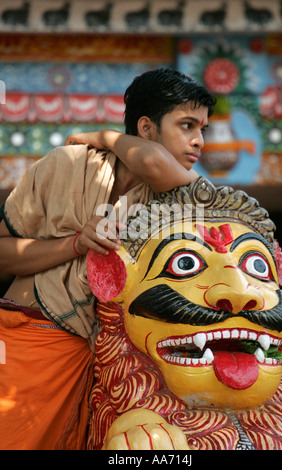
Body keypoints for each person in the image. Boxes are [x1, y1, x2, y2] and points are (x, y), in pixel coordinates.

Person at [0, 68, 215, 449]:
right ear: (146, 127)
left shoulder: (178, 201)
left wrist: (104, 134)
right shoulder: (66, 164)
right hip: (25, 345)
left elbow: (151, 163)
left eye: (203, 129)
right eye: (187, 125)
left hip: (101, 370)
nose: (199, 141)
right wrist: (74, 245)